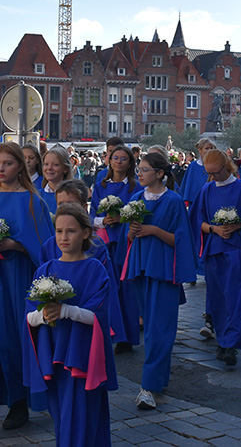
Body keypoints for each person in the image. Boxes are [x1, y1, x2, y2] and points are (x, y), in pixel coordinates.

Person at [0, 142, 53, 433]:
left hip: (20, 279)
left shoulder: (33, 201)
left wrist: (14, 244)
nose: (1, 169)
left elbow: (46, 248)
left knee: (15, 340)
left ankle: (18, 401)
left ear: (20, 166)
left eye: (8, 163)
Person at [24, 203, 117, 445]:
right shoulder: (45, 270)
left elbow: (98, 317)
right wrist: (44, 315)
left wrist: (66, 311)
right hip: (54, 353)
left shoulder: (95, 269)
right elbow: (29, 316)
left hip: (82, 354)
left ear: (86, 233)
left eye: (71, 231)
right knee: (62, 416)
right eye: (59, 231)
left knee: (81, 415)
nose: (63, 237)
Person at [123, 152, 196, 408]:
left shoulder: (173, 201)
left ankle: (148, 387)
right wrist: (132, 232)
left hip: (164, 269)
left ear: (159, 173)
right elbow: (128, 238)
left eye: (144, 169)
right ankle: (158, 378)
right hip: (140, 267)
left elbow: (181, 240)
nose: (139, 173)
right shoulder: (135, 198)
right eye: (139, 169)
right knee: (152, 327)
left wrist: (153, 230)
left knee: (160, 329)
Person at [191, 149, 241, 368]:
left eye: (216, 172)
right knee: (218, 297)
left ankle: (232, 343)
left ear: (227, 166)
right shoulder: (206, 190)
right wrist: (214, 229)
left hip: (237, 250)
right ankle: (224, 340)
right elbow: (197, 221)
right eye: (209, 173)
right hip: (215, 250)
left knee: (237, 297)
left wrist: (238, 225)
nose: (213, 177)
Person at [89, 145, 142, 352]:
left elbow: (140, 213)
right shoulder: (100, 186)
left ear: (130, 163)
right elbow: (92, 214)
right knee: (108, 288)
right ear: (109, 161)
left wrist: (122, 218)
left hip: (126, 242)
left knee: (127, 290)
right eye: (115, 158)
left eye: (123, 158)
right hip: (105, 242)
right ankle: (108, 333)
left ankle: (127, 336)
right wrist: (104, 220)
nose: (119, 162)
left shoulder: (135, 187)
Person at [178, 138, 217, 205]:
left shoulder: (216, 165)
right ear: (200, 150)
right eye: (206, 148)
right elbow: (186, 186)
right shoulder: (193, 166)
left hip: (212, 201)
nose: (209, 151)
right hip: (195, 202)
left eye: (211, 148)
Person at [41, 146, 73, 213]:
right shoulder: (36, 196)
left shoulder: (73, 196)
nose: (49, 168)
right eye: (46, 164)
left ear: (65, 168)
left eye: (55, 165)